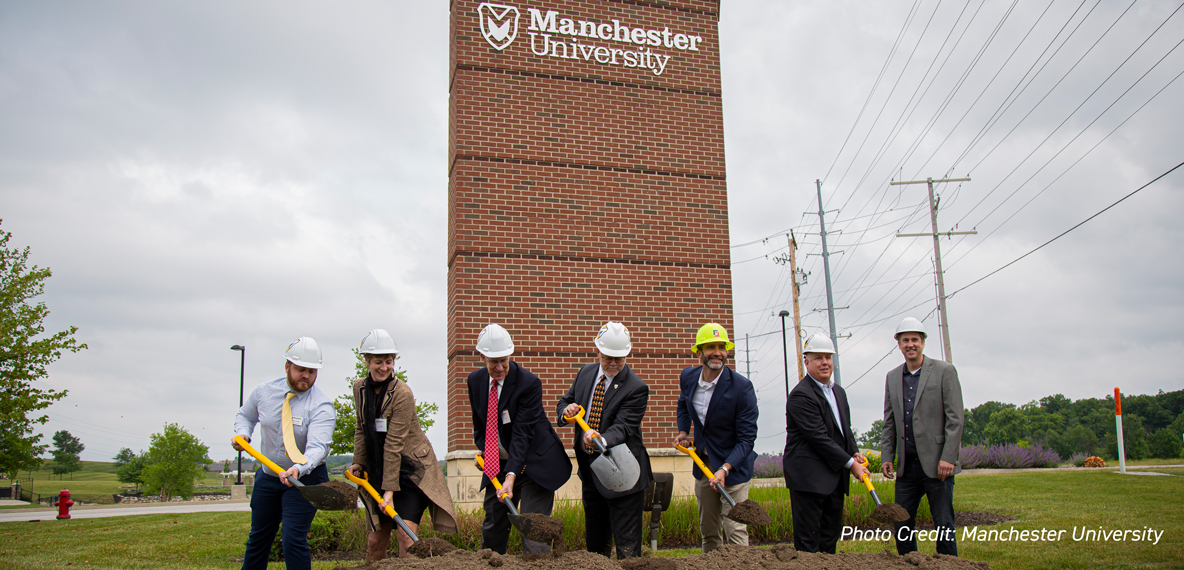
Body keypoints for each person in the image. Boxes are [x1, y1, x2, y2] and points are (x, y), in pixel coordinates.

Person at [349, 329, 457, 560]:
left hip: (410, 472)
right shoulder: (359, 388)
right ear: (367, 361)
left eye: (389, 362)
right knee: (376, 541)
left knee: (406, 538)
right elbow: (361, 426)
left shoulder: (402, 393)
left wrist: (389, 491)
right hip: (379, 469)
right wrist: (359, 461)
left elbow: (394, 444)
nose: (384, 367)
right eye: (378, 361)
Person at [466, 323, 572, 554]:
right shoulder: (475, 381)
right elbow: (480, 426)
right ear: (482, 356)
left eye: (504, 360)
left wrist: (511, 476)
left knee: (533, 527)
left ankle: (538, 565)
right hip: (502, 462)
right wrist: (487, 452)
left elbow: (522, 433)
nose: (501, 367)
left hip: (536, 462)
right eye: (494, 362)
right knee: (493, 522)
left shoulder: (528, 383)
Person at [233, 337, 335, 570]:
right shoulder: (264, 392)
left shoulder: (321, 405)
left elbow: (318, 448)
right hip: (268, 476)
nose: (306, 376)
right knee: (258, 537)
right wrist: (243, 434)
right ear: (287, 366)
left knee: (293, 539)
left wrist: (299, 468)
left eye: (311, 371)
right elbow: (245, 416)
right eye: (301, 370)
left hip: (305, 479)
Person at [557, 321, 653, 559]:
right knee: (596, 546)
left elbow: (624, 427)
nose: (613, 364)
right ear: (597, 351)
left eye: (619, 359)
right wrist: (565, 411)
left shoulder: (636, 388)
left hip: (623, 473)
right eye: (608, 357)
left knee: (627, 548)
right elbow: (565, 401)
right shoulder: (585, 373)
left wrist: (601, 438)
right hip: (591, 472)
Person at [881, 317, 964, 556]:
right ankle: (910, 562)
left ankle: (948, 564)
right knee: (901, 524)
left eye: (914, 339)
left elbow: (955, 418)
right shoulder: (892, 377)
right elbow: (889, 421)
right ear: (898, 344)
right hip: (907, 468)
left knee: (944, 523)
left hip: (938, 466)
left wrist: (948, 457)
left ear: (923, 342)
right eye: (905, 340)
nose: (910, 344)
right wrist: (888, 456)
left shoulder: (944, 371)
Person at [781, 333, 869, 554]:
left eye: (828, 357)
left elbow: (844, 430)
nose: (824, 362)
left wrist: (855, 452)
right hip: (809, 479)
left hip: (834, 478)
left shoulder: (838, 392)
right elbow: (819, 438)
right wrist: (851, 464)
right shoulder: (801, 396)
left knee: (830, 540)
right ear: (806, 361)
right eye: (818, 357)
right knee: (809, 544)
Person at [675, 323, 758, 553]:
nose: (718, 352)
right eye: (711, 347)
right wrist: (684, 431)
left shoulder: (742, 388)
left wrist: (725, 468)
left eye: (721, 347)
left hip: (734, 468)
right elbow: (683, 403)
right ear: (699, 352)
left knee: (735, 531)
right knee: (709, 532)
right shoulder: (689, 377)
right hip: (704, 465)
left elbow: (746, 439)